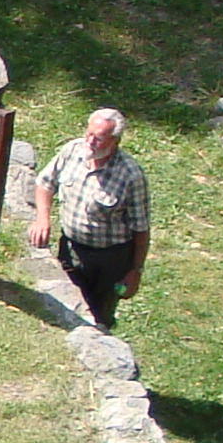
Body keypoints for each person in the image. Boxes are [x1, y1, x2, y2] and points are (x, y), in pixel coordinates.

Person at [28, 106, 150, 333]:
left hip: (110, 260)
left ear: (115, 141)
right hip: (71, 248)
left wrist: (136, 271)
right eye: (89, 134)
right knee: (65, 304)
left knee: (99, 315)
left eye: (99, 138)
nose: (90, 142)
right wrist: (42, 218)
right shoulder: (72, 151)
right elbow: (45, 183)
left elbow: (141, 229)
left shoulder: (130, 175)